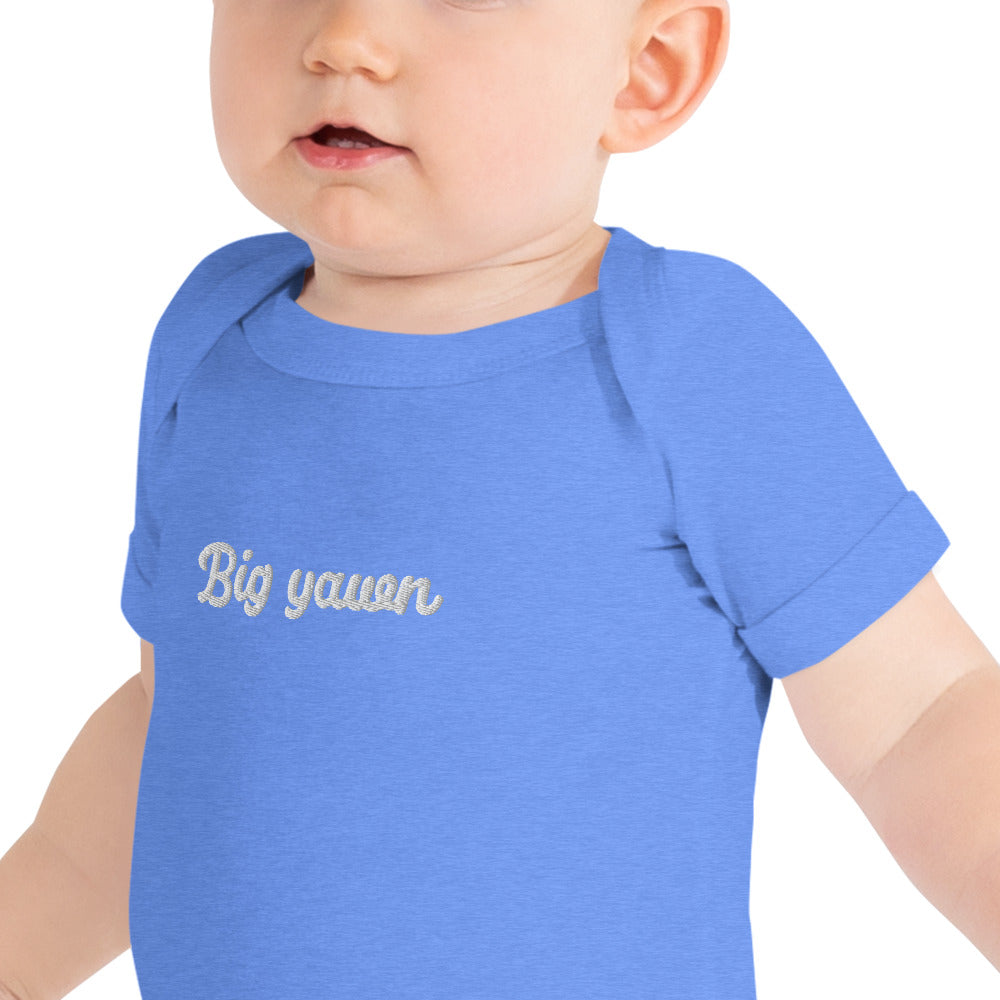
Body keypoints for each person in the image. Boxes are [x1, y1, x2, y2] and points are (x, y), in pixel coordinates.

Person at [1, 0, 998, 997]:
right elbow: (173, 710)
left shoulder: (690, 358)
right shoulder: (212, 335)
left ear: (647, 68)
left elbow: (921, 717)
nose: (343, 37)